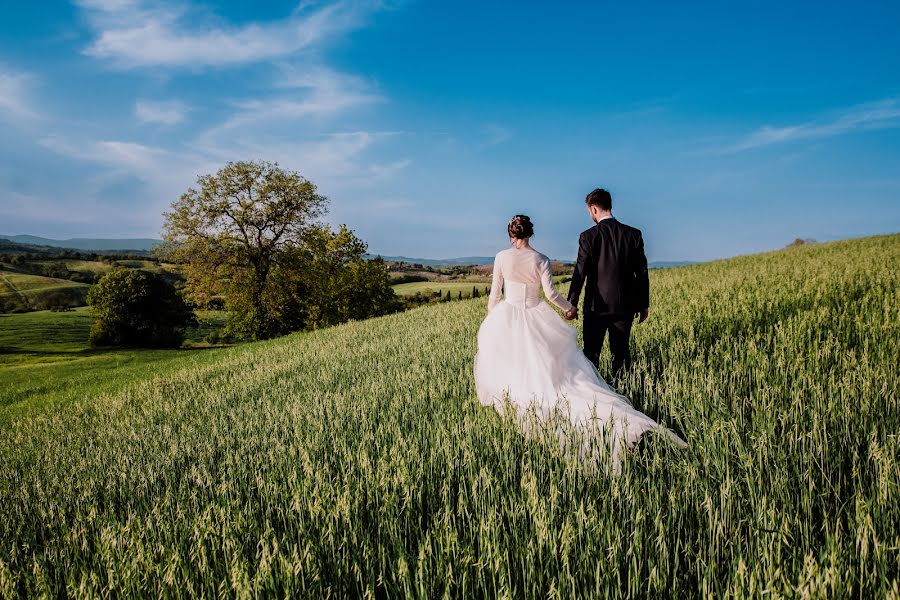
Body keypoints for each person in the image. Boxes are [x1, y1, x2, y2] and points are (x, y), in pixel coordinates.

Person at [473, 214, 684, 468]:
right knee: (551, 372)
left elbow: (495, 293)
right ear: (530, 234)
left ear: (511, 234)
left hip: (508, 314)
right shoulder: (541, 259)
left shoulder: (501, 257)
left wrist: (492, 321)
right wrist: (569, 308)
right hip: (535, 314)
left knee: (516, 365)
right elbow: (550, 293)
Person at [567, 188, 650, 378]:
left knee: (591, 357)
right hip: (624, 306)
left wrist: (571, 303)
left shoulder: (588, 236)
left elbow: (580, 272)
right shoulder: (633, 234)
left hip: (596, 307)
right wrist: (644, 304)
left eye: (589, 211)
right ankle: (622, 395)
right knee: (621, 356)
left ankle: (594, 398)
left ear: (594, 209)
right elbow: (642, 273)